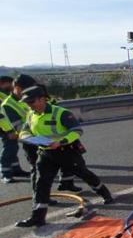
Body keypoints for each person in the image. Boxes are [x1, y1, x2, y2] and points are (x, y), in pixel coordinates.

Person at [16, 86, 114, 227]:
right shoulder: (31, 114)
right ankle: (38, 217)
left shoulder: (61, 113)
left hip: (66, 151)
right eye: (27, 102)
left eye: (31, 102)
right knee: (41, 183)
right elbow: (24, 131)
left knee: (84, 174)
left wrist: (61, 142)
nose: (29, 105)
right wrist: (27, 137)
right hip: (45, 153)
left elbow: (77, 131)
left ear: (43, 99)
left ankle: (105, 194)